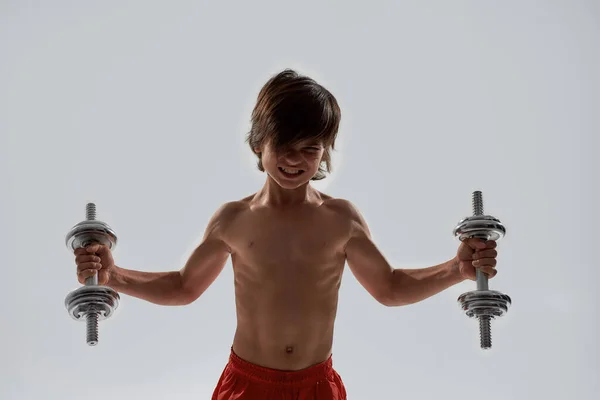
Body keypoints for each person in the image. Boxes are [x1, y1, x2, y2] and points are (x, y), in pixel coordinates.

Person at [74, 69, 499, 400]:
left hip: (317, 387)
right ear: (259, 143)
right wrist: (114, 277)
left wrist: (456, 268)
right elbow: (184, 287)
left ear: (325, 152)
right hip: (247, 384)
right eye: (285, 145)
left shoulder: (340, 219)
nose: (296, 160)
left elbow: (389, 287)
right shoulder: (234, 220)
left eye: (311, 148)